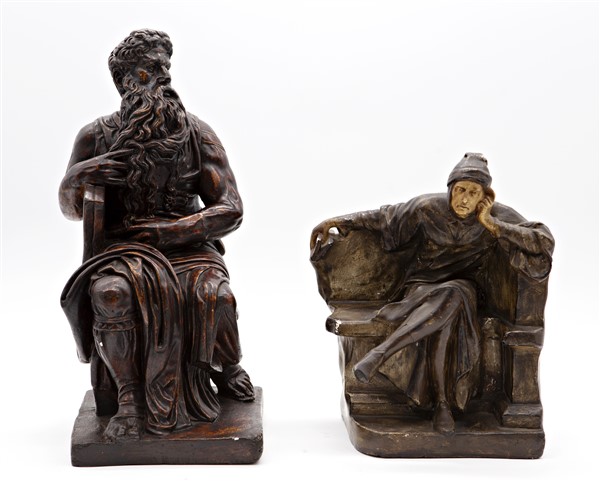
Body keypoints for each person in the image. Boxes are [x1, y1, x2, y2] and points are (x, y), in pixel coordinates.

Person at [59, 29, 254, 440]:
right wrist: (79, 176)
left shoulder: (196, 133)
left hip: (189, 247)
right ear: (125, 80)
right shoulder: (95, 137)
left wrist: (173, 230)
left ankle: (227, 366)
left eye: (166, 66)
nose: (164, 75)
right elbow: (72, 210)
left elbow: (231, 208)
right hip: (123, 252)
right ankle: (130, 397)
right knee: (110, 294)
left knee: (216, 296)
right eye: (151, 69)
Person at [310, 153, 553, 433]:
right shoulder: (427, 208)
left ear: (485, 198)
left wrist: (493, 225)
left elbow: (543, 240)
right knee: (446, 314)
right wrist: (340, 221)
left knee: (454, 293)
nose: (464, 199)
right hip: (420, 292)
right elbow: (384, 218)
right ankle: (442, 405)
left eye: (473, 193)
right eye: (460, 190)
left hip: (467, 292)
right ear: (450, 189)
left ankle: (382, 355)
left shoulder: (496, 217)